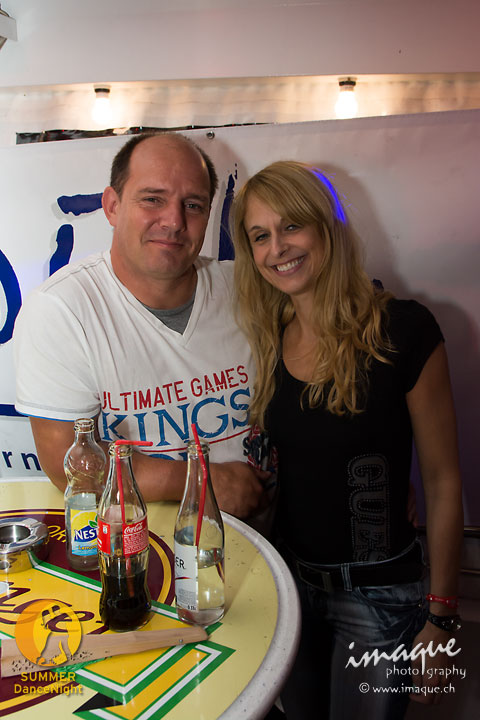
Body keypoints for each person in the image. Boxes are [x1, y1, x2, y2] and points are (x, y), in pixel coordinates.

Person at [232, 160, 463, 719]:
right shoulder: (269, 336)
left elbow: (443, 480)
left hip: (381, 599)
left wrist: (442, 619)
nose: (277, 248)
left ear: (327, 225)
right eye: (260, 235)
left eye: (291, 225)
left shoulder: (403, 330)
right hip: (289, 588)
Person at [13, 132, 269, 518]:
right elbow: (66, 464)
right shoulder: (62, 309)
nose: (174, 221)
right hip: (141, 545)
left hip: (265, 538)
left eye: (193, 205)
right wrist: (200, 480)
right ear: (112, 206)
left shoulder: (245, 288)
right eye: (153, 199)